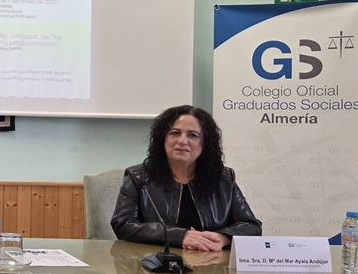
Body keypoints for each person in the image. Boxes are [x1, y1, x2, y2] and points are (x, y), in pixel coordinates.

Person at [111, 105, 261, 251]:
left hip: (212, 261)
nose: (182, 141)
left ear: (205, 143)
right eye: (175, 133)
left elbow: (252, 226)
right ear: (163, 139)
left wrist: (222, 238)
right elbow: (123, 224)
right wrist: (180, 236)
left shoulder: (224, 179)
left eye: (192, 135)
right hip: (158, 261)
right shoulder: (138, 178)